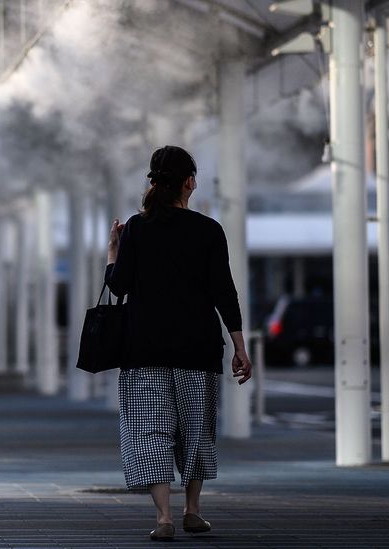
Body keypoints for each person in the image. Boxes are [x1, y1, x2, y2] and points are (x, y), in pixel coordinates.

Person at [105, 145, 252, 542]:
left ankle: (164, 517)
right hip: (197, 349)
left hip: (144, 350)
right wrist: (239, 346)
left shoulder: (137, 229)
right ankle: (193, 510)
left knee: (150, 430)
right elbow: (224, 292)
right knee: (195, 430)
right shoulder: (209, 230)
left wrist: (113, 251)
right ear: (190, 182)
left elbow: (118, 286)